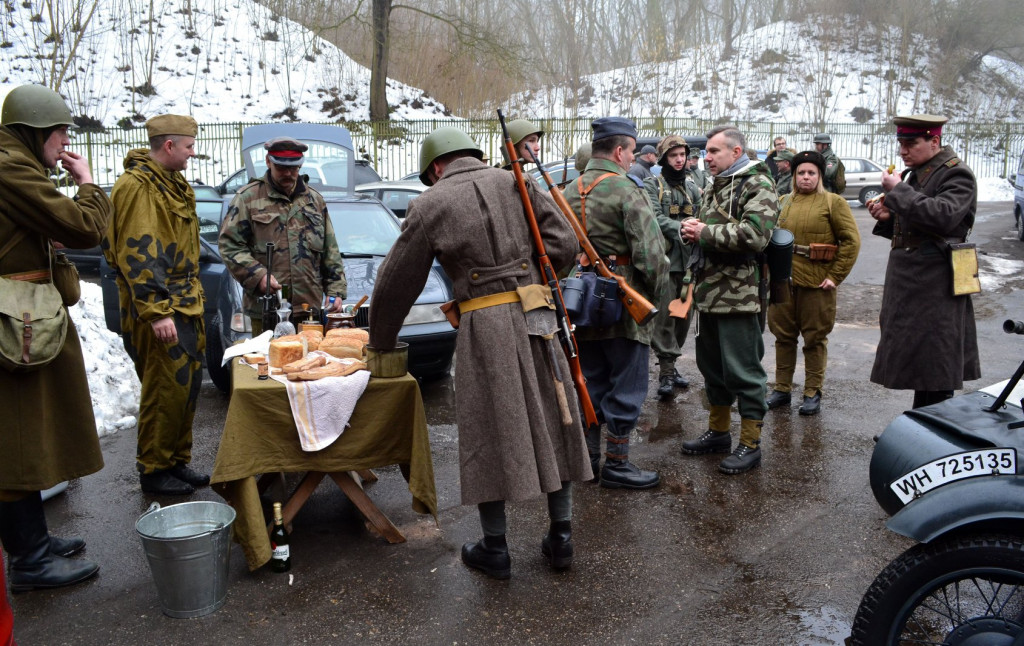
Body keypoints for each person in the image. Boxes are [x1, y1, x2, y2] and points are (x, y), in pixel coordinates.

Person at [368, 126, 592, 579]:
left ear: (435, 167)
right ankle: (562, 538)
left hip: (484, 326)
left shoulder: (429, 204)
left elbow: (395, 284)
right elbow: (566, 244)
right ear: (474, 154)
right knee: (558, 416)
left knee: (487, 428)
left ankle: (496, 548)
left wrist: (382, 341)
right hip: (539, 316)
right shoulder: (516, 180)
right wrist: (532, 275)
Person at [0, 84, 107, 591]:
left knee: (24, 433)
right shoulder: (9, 167)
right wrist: (85, 183)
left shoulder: (14, 166)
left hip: (23, 320)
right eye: (60, 130)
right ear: (36, 130)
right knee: (14, 441)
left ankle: (35, 542)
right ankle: (29, 561)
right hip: (12, 327)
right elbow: (87, 227)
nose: (66, 141)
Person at [105, 114, 209, 496]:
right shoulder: (139, 187)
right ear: (169, 146)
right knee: (164, 389)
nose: (192, 153)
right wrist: (155, 309)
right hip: (162, 307)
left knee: (185, 387)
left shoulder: (172, 184)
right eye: (188, 147)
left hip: (185, 303)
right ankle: (154, 469)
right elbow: (138, 251)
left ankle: (175, 462)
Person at [563, 117, 669, 489]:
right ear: (621, 151)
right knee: (627, 383)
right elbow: (653, 256)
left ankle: (588, 460)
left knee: (590, 380)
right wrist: (651, 302)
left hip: (581, 303)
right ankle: (617, 464)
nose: (632, 159)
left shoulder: (566, 191)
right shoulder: (626, 190)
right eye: (631, 152)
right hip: (625, 304)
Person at [679, 124, 778, 474]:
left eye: (714, 151)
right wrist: (692, 229)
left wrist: (706, 232)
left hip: (739, 296)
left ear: (736, 152)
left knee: (744, 372)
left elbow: (756, 236)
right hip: (708, 294)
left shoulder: (758, 184)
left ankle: (750, 443)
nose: (706, 157)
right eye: (706, 152)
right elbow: (712, 229)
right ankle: (719, 432)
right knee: (713, 370)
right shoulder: (715, 184)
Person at [867, 114, 980, 409]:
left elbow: (944, 217)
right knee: (920, 357)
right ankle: (921, 424)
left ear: (934, 141)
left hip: (936, 281)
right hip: (913, 280)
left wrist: (899, 192)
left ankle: (933, 430)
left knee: (937, 357)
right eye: (900, 144)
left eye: (911, 143)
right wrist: (889, 217)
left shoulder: (956, 174)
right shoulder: (916, 172)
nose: (903, 151)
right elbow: (918, 223)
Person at [765, 151, 860, 415]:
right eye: (801, 173)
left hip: (818, 283)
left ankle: (812, 391)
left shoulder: (833, 203)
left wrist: (835, 276)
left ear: (819, 176)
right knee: (783, 337)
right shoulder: (783, 202)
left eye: (811, 173)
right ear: (794, 176)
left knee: (814, 339)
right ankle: (782, 389)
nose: (806, 177)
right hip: (783, 282)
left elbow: (851, 241)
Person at [219, 137, 347, 333]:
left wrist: (335, 291)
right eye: (281, 167)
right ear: (268, 162)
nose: (288, 173)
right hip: (267, 310)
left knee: (310, 361)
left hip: (308, 310)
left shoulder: (314, 201)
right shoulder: (248, 199)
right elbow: (229, 245)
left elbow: (330, 249)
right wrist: (258, 275)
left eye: (294, 168)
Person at [644, 135, 701, 399]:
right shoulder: (652, 184)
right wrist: (681, 227)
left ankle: (672, 366)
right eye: (673, 155)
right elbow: (654, 218)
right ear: (664, 158)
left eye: (682, 155)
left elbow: (700, 214)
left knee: (683, 318)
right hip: (665, 262)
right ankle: (665, 372)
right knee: (665, 317)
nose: (679, 160)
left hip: (689, 262)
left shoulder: (691, 186)